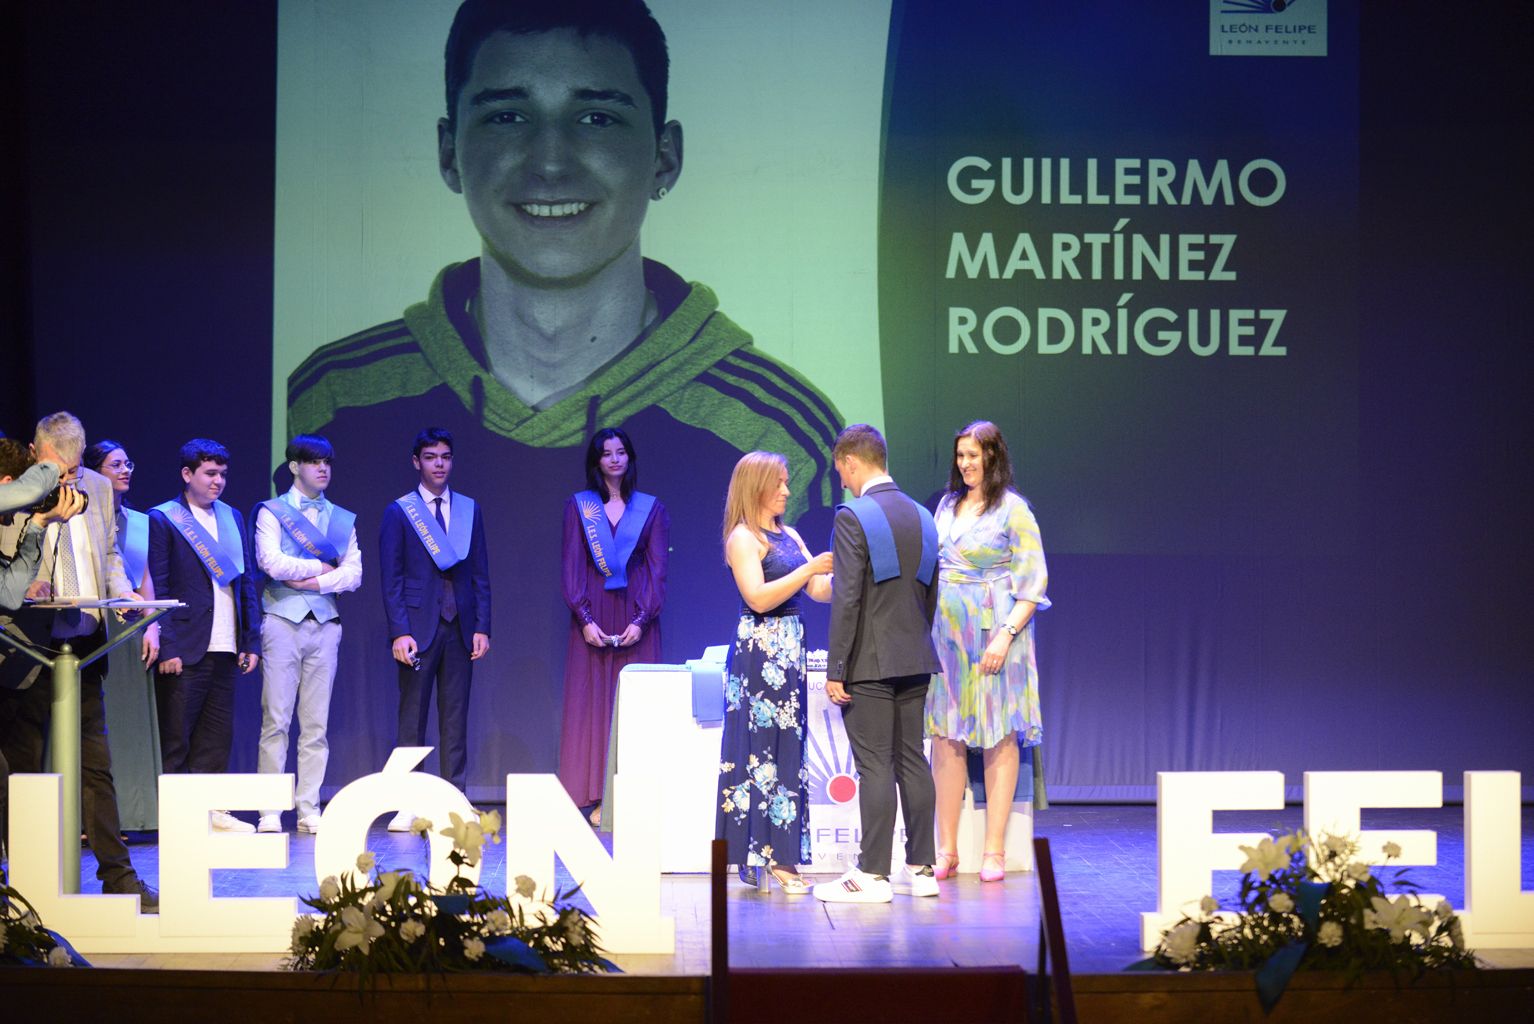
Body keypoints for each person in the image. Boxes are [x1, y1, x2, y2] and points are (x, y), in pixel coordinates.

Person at [284, 0, 842, 790]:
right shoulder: (333, 394)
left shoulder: (783, 421)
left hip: (643, 636)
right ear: (450, 151)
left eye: (597, 119)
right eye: (508, 115)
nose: (549, 162)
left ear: (664, 156)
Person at [0, 413, 159, 911]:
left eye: (71, 470)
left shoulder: (99, 487)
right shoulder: (20, 486)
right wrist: (28, 585)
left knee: (97, 767)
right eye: (57, 469)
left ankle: (119, 877)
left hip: (86, 645)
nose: (66, 480)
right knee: (21, 769)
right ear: (35, 452)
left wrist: (123, 589)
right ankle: (23, 885)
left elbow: (107, 553)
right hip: (29, 645)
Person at [814, 424, 941, 904]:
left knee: (874, 765)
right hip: (915, 655)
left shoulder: (854, 515)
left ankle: (872, 875)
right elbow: (930, 591)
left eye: (841, 472)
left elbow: (847, 598)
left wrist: (836, 666)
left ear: (851, 462)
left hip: (869, 660)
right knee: (912, 759)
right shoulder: (924, 516)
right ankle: (922, 870)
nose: (842, 482)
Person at [926, 421, 1049, 883]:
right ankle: (948, 848)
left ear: (993, 457)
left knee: (1000, 733)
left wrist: (1005, 634)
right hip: (948, 636)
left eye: (973, 456)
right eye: (960, 456)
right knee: (945, 733)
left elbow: (1033, 584)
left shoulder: (1013, 510)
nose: (965, 464)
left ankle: (994, 850)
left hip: (999, 634)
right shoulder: (947, 505)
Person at [715, 451, 833, 894]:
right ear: (757, 486)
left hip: (790, 650)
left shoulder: (789, 533)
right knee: (756, 751)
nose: (787, 490)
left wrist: (841, 571)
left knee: (788, 752)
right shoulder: (743, 538)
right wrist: (808, 567)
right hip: (760, 651)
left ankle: (783, 856)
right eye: (780, 483)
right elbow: (759, 598)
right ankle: (755, 854)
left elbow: (818, 591)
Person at [148, 438, 262, 833]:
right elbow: (158, 586)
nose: (218, 482)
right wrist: (168, 645)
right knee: (177, 734)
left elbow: (246, 581)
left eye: (222, 475)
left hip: (226, 643)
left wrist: (251, 640)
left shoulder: (232, 516)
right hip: (185, 643)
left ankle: (212, 812)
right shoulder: (164, 519)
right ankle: (175, 817)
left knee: (216, 735)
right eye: (210, 474)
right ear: (187, 474)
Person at [557, 427, 668, 827]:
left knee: (635, 704)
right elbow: (571, 565)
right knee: (593, 705)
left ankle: (633, 796)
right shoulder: (580, 507)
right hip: (593, 615)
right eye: (607, 453)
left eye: (622, 451)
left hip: (637, 613)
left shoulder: (650, 509)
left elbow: (658, 569)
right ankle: (598, 796)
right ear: (597, 461)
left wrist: (642, 620)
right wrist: (584, 618)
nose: (615, 459)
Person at [252, 435, 363, 834]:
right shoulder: (272, 512)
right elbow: (271, 562)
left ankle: (309, 807)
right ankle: (268, 810)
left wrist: (314, 584)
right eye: (314, 462)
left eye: (327, 462)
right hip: (281, 620)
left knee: (316, 724)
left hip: (326, 624)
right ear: (295, 466)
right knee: (276, 719)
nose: (323, 469)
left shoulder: (341, 518)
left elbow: (354, 574)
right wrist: (320, 572)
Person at [378, 427, 490, 821]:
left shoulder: (468, 510)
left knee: (455, 718)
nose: (439, 464)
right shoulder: (400, 511)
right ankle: (409, 803)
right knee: (413, 718)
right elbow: (390, 578)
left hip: (459, 626)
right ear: (416, 462)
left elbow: (480, 574)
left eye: (445, 456)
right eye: (430, 457)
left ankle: (454, 801)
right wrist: (399, 631)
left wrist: (482, 625)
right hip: (417, 629)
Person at [82, 439, 162, 833]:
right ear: (96, 472)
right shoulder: (83, 517)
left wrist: (152, 625)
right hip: (96, 625)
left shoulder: (142, 522)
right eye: (116, 464)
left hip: (131, 630)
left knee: (130, 725)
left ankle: (136, 813)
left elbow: (145, 581)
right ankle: (87, 818)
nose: (126, 470)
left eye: (128, 463)